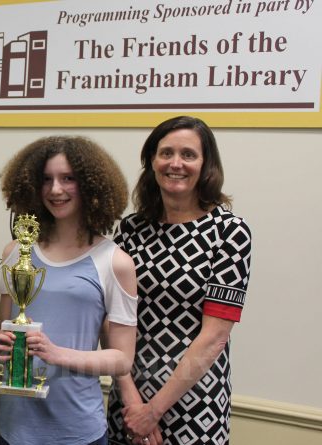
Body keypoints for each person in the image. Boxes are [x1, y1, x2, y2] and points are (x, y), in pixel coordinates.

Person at [106, 116, 253, 445]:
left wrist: (153, 411)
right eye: (166, 153)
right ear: (152, 161)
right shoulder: (130, 230)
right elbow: (110, 317)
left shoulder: (229, 232)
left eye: (188, 154)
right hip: (128, 399)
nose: (176, 164)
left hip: (196, 404)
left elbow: (215, 336)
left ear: (206, 164)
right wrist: (132, 400)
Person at [0, 136, 138, 445]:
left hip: (77, 430)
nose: (55, 189)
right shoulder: (15, 252)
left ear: (91, 185)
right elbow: (3, 331)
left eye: (68, 178)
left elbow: (122, 360)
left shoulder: (115, 262)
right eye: (46, 179)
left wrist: (56, 354)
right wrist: (0, 345)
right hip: (14, 428)